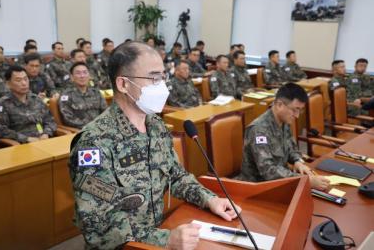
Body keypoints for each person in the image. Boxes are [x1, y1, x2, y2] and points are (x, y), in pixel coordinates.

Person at [69, 41, 242, 249]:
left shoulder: (156, 126)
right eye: (153, 78)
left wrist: (210, 200)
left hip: (157, 236)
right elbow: (96, 225)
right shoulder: (93, 144)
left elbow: (175, 176)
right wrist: (165, 240)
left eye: (163, 77)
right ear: (123, 84)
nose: (162, 86)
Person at [237, 83, 330, 190]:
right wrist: (305, 181)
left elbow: (291, 148)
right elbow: (268, 171)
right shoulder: (259, 130)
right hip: (258, 187)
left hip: (281, 181)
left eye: (300, 110)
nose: (297, 115)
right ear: (280, 104)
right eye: (295, 109)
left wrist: (297, 161)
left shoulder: (284, 121)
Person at [0, 65, 57, 143]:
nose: (24, 83)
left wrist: (46, 133)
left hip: (43, 140)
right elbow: (0, 130)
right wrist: (26, 139)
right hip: (22, 145)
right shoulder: (2, 104)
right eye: (18, 80)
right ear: (8, 84)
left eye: (25, 79)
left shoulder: (36, 99)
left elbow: (50, 120)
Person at [59, 62, 107, 129]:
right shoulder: (66, 96)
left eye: (85, 72)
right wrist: (90, 125)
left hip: (101, 127)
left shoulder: (96, 93)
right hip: (82, 130)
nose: (82, 76)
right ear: (72, 77)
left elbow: (105, 112)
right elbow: (68, 119)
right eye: (78, 73)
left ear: (89, 76)